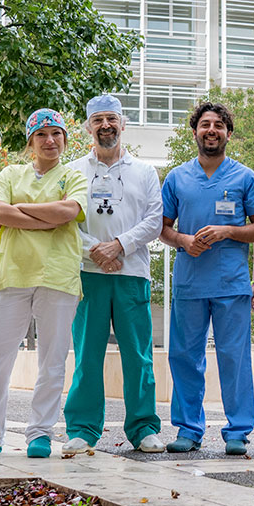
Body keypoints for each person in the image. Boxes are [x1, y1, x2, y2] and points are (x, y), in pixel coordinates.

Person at [0, 109, 87, 458]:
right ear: (30, 142)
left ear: (64, 140)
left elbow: (68, 213)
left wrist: (22, 211)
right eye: (41, 135)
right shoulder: (10, 173)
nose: (50, 140)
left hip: (57, 276)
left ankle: (40, 433)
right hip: (11, 274)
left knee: (52, 359)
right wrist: (46, 217)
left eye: (56, 134)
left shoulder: (73, 176)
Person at [160, 101, 254, 456]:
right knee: (184, 357)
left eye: (218, 125)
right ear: (195, 132)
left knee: (234, 358)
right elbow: (162, 229)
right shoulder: (177, 178)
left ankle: (238, 430)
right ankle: (188, 429)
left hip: (230, 283)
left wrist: (227, 231)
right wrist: (183, 240)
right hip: (191, 283)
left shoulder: (244, 177)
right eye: (205, 124)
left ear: (227, 134)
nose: (211, 130)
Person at [62, 94, 165, 457]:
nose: (105, 126)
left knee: (138, 355)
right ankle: (82, 429)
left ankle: (144, 428)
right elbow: (66, 221)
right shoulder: (72, 170)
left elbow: (155, 220)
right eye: (98, 120)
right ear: (88, 126)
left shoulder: (145, 171)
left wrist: (119, 245)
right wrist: (96, 250)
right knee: (87, 353)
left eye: (112, 119)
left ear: (123, 124)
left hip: (132, 272)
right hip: (87, 273)